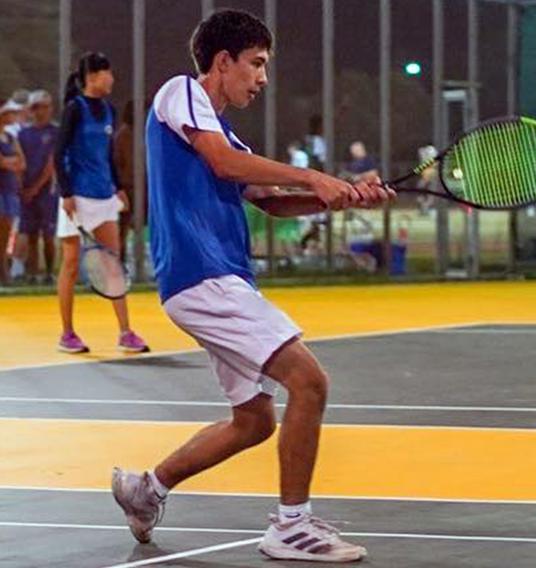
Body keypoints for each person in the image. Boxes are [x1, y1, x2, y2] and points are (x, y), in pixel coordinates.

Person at [110, 10, 392, 563]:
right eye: (256, 64)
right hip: (203, 275)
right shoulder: (181, 93)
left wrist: (338, 194)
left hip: (217, 278)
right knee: (308, 383)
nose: (262, 78)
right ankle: (291, 526)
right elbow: (221, 163)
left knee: (254, 422)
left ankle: (147, 490)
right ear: (223, 62)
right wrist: (313, 174)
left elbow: (268, 199)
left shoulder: (223, 130)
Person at [54, 52, 149, 353]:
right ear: (93, 76)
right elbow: (59, 154)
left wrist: (118, 188)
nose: (112, 78)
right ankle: (67, 334)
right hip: (76, 198)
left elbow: (107, 156)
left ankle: (126, 333)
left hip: (104, 197)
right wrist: (67, 193)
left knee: (112, 266)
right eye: (107, 73)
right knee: (70, 266)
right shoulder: (74, 109)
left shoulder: (109, 109)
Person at [18, 90, 60, 284]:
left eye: (44, 107)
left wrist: (35, 188)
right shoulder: (23, 134)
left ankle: (50, 272)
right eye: (36, 108)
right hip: (26, 191)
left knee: (48, 235)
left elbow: (52, 163)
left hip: (47, 192)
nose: (40, 112)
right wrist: (22, 187)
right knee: (31, 234)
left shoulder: (55, 132)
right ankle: (32, 273)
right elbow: (20, 160)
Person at [112, 99, 148, 263]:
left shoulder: (146, 134)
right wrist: (120, 188)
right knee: (122, 231)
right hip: (127, 189)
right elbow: (117, 164)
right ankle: (120, 266)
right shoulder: (123, 135)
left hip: (144, 188)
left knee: (143, 228)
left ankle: (141, 263)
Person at [0, 100, 25, 285]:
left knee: (7, 230)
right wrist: (11, 162)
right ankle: (3, 271)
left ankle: (4, 269)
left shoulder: (10, 136)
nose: (12, 116)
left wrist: (10, 162)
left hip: (9, 189)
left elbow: (21, 162)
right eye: (9, 112)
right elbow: (4, 162)